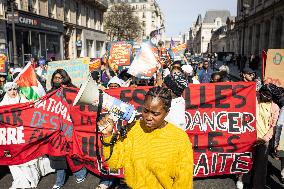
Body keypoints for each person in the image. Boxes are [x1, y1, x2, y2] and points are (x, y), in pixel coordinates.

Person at [99, 86, 193, 188]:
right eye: (145, 111)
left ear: (167, 112)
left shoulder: (180, 138)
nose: (148, 117)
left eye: (155, 113)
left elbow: (184, 182)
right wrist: (107, 135)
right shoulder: (133, 128)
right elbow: (114, 163)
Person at [0, 82, 54, 189]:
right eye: (10, 90)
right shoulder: (2, 104)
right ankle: (21, 180)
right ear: (6, 91)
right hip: (12, 137)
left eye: (14, 89)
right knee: (15, 159)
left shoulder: (24, 100)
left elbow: (32, 112)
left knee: (28, 157)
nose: (13, 92)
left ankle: (32, 178)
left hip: (25, 135)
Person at [48, 69, 87, 189]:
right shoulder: (49, 93)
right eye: (56, 78)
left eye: (60, 78)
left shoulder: (73, 91)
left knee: (72, 153)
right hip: (55, 129)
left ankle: (80, 172)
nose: (58, 80)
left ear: (65, 78)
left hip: (70, 127)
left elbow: (80, 106)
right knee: (58, 154)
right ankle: (59, 181)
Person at [250, 84, 279, 189]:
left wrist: (264, 139)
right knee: (247, 160)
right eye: (264, 93)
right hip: (250, 136)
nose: (265, 96)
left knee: (260, 165)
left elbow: (273, 126)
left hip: (263, 140)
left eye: (268, 95)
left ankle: (257, 186)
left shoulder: (275, 107)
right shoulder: (254, 98)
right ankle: (245, 181)